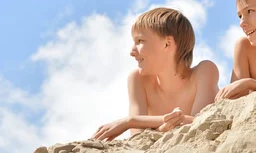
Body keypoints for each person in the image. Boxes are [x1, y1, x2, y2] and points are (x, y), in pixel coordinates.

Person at [93, 7, 219, 141]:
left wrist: (130, 121)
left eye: (140, 41)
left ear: (167, 44)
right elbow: (137, 138)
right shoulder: (138, 80)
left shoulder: (204, 71)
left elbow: (200, 123)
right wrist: (162, 128)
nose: (132, 51)